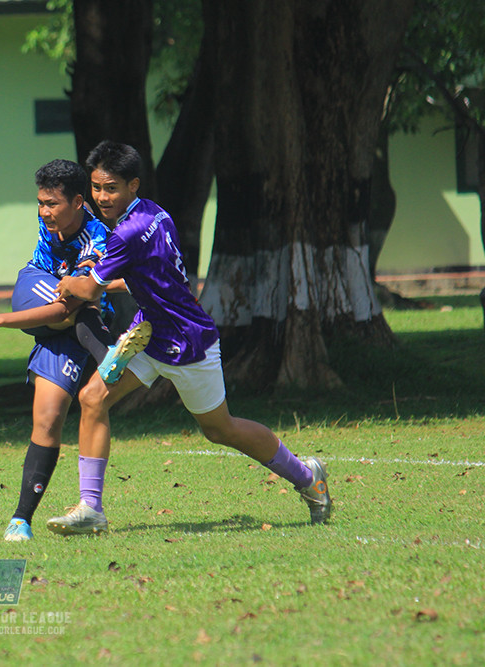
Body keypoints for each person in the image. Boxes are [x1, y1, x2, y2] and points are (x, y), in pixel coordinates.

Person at [45, 141, 332, 535]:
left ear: (133, 185)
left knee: (220, 429)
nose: (101, 197)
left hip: (187, 342)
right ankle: (90, 507)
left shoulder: (126, 232)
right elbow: (147, 277)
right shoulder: (155, 215)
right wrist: (101, 283)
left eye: (110, 188)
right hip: (147, 335)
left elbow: (87, 291)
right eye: (95, 187)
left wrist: (62, 282)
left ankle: (306, 475)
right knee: (93, 398)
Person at [0, 159, 151, 542]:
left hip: (73, 323)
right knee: (43, 415)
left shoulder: (98, 239)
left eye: (52, 204)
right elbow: (59, 303)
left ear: (78, 202)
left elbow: (69, 305)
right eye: (40, 203)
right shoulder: (51, 227)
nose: (44, 212)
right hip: (39, 292)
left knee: (51, 414)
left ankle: (107, 353)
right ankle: (20, 519)